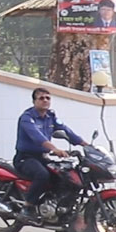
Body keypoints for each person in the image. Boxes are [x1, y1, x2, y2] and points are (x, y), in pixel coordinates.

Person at [14, 88, 86, 223]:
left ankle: (58, 211)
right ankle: (27, 207)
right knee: (42, 175)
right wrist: (55, 149)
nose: (45, 100)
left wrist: (86, 145)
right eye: (41, 98)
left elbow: (67, 131)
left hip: (42, 157)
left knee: (63, 175)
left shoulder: (50, 116)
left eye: (48, 98)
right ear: (34, 101)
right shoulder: (27, 118)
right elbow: (37, 137)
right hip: (25, 158)